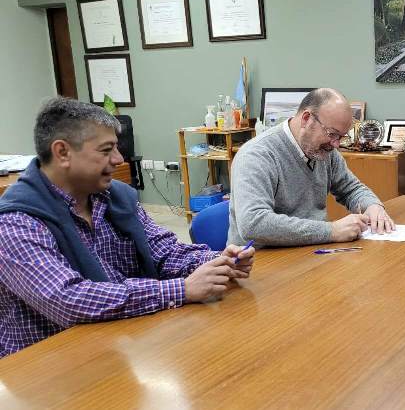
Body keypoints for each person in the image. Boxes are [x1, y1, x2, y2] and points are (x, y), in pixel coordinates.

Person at [0, 98, 255, 358]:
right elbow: (67, 299)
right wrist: (182, 289)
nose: (119, 159)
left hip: (120, 345)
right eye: (106, 150)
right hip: (49, 364)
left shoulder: (114, 197)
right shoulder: (16, 222)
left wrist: (218, 262)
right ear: (62, 152)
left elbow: (163, 251)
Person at [228, 88, 395, 247]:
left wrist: (372, 206)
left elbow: (351, 189)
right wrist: (331, 231)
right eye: (332, 134)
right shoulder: (257, 155)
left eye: (341, 137)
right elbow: (253, 223)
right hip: (260, 259)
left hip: (311, 250)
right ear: (306, 119)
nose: (336, 144)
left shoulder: (325, 151)